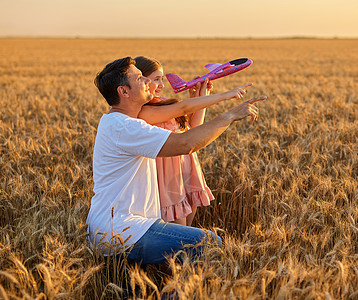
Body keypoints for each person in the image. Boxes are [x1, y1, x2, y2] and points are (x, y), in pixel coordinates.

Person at [86, 57, 265, 267]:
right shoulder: (125, 127)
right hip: (124, 231)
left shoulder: (119, 122)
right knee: (209, 242)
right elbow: (185, 144)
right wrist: (230, 115)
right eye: (139, 78)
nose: (146, 81)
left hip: (120, 228)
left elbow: (184, 126)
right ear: (123, 92)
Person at [134, 56, 216, 226]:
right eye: (156, 79)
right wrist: (194, 101)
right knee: (178, 224)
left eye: (162, 79)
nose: (162, 85)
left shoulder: (165, 102)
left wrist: (201, 95)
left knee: (190, 214)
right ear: (140, 80)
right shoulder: (144, 112)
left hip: (185, 165)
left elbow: (192, 128)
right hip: (167, 173)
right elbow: (184, 108)